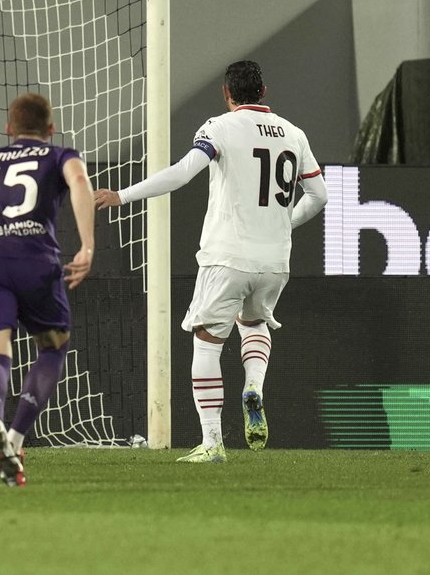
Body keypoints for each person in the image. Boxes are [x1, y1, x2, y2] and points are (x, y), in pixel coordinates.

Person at [95, 61, 327, 463]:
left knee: (206, 342)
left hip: (227, 257)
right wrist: (282, 223)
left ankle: (212, 442)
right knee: (253, 322)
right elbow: (319, 196)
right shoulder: (294, 133)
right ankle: (253, 386)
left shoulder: (219, 127)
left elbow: (183, 173)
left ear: (226, 93)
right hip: (275, 260)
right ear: (263, 91)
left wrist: (123, 196)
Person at [0, 93, 95, 488]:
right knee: (52, 347)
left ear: (8, 128)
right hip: (35, 262)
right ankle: (14, 438)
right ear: (50, 128)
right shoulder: (59, 155)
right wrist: (86, 247)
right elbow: (79, 181)